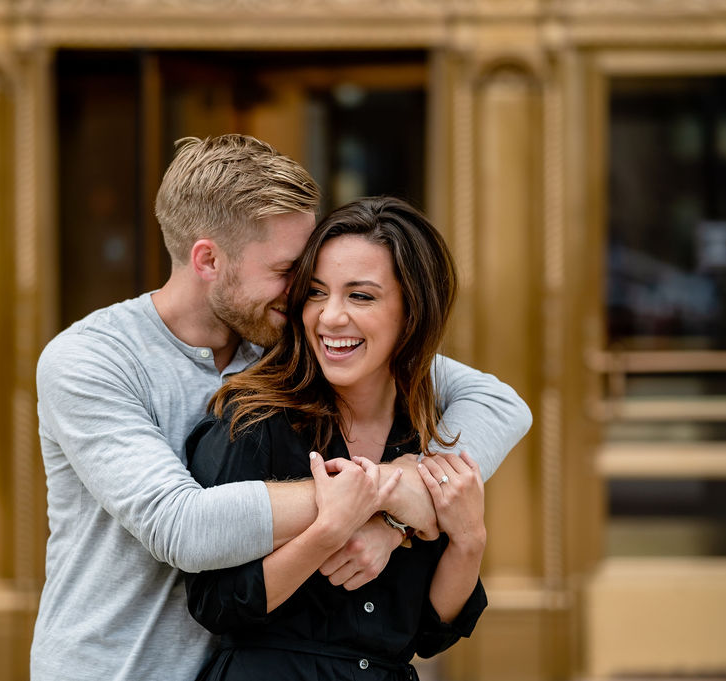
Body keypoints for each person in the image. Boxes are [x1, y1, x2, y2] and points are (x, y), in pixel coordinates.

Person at [31, 135, 531, 681]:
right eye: (290, 271)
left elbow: (497, 403)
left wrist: (397, 519)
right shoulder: (91, 360)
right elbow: (183, 528)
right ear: (208, 260)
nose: (306, 296)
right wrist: (383, 491)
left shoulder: (289, 341)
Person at [185, 196, 490, 681]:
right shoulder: (253, 420)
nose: (329, 318)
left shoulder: (427, 432)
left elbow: (431, 635)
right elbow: (215, 604)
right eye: (316, 292)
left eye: (361, 296)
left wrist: (469, 540)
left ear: (414, 310)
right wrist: (329, 530)